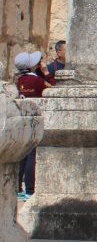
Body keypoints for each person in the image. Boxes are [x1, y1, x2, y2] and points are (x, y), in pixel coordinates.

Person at [14, 51, 50, 200]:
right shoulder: (38, 81)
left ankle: (17, 188)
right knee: (31, 156)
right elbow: (53, 88)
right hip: (35, 120)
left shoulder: (19, 80)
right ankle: (29, 189)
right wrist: (46, 73)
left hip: (22, 120)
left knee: (22, 155)